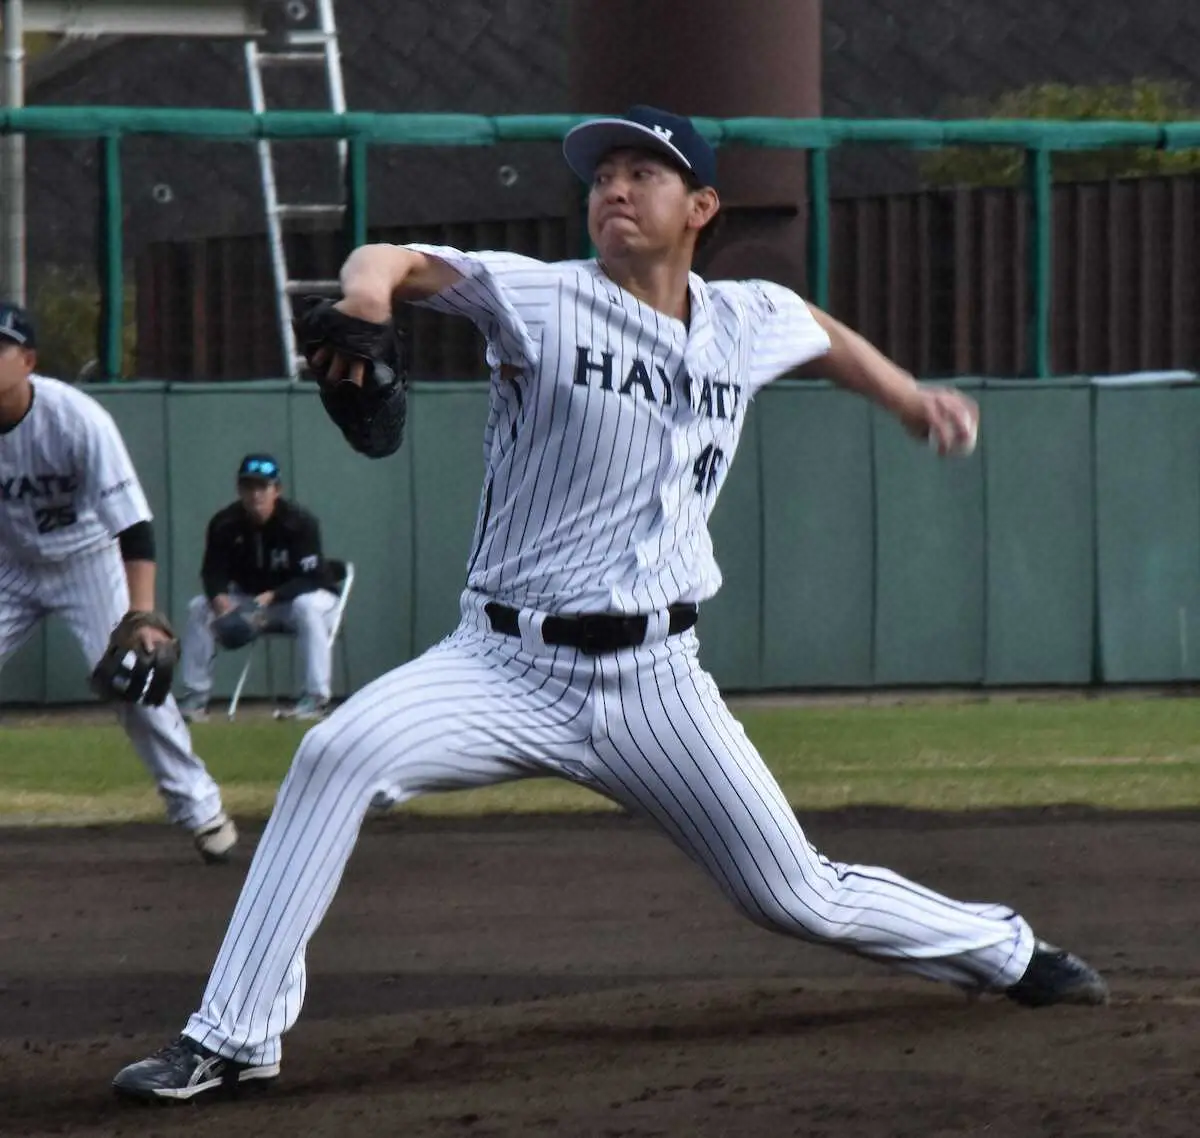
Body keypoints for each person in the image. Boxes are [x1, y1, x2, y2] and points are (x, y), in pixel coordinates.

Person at [113, 105, 1106, 1103]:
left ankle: (1005, 950)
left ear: (701, 207)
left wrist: (906, 396)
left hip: (657, 682)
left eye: (643, 172)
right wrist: (367, 300)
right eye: (601, 177)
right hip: (501, 663)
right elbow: (392, 258)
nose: (615, 188)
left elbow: (818, 333)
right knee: (335, 754)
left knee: (795, 892)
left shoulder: (746, 316)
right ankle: (234, 1033)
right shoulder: (541, 298)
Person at [0, 301, 237, 864]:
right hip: (9, 564)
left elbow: (133, 526)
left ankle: (202, 810)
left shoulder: (77, 419)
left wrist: (143, 617)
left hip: (87, 560)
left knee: (138, 683)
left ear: (28, 360)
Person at [177, 454, 338, 722]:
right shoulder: (225, 524)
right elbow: (211, 571)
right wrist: (219, 598)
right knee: (199, 608)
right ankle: (195, 698)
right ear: (239, 489)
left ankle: (316, 698)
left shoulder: (299, 523)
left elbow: (312, 579)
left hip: (306, 601)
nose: (255, 494)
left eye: (263, 487)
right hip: (255, 604)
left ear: (277, 490)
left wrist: (274, 595)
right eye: (248, 486)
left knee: (306, 606)